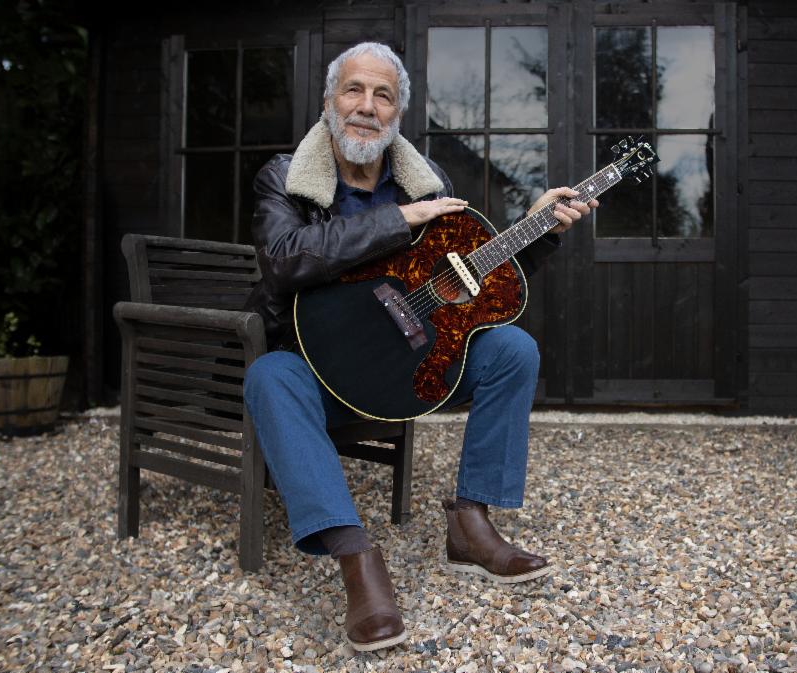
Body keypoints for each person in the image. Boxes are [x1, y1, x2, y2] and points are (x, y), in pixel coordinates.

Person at [240, 42, 598, 652]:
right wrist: (399, 220)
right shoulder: (284, 177)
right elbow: (282, 261)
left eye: (383, 96)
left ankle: (471, 522)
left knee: (511, 347)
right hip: (318, 372)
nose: (366, 107)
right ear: (330, 101)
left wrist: (535, 232)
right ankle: (356, 558)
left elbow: (466, 288)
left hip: (413, 365)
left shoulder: (427, 182)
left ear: (397, 113)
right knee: (269, 376)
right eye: (354, 90)